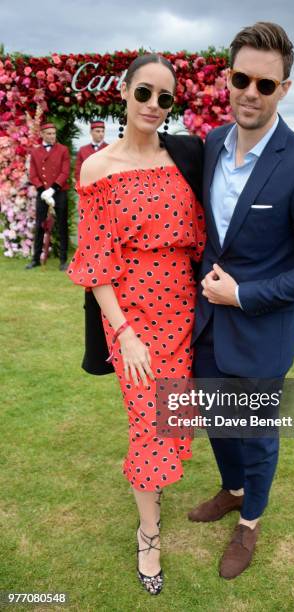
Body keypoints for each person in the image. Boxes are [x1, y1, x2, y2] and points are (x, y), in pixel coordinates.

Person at [190, 21, 294, 580]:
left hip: (262, 330)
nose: (251, 92)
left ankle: (250, 522)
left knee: (255, 432)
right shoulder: (210, 145)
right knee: (213, 420)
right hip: (204, 325)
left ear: (284, 89)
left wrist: (243, 294)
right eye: (241, 78)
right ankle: (232, 491)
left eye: (266, 84)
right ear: (227, 80)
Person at [66, 54, 206, 596]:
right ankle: (149, 535)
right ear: (124, 93)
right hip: (132, 318)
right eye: (144, 93)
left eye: (164, 98)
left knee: (172, 415)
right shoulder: (97, 168)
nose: (153, 105)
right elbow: (95, 262)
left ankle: (155, 494)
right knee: (147, 421)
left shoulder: (184, 158)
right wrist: (122, 332)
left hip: (184, 311)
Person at [26, 121, 71, 271]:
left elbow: (65, 172)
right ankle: (35, 259)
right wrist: (43, 191)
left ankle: (63, 260)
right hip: (42, 194)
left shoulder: (63, 150)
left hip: (59, 193)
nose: (52, 136)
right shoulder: (35, 152)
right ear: (42, 135)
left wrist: (52, 190)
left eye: (54, 133)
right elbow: (32, 175)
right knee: (39, 225)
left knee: (62, 226)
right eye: (49, 134)